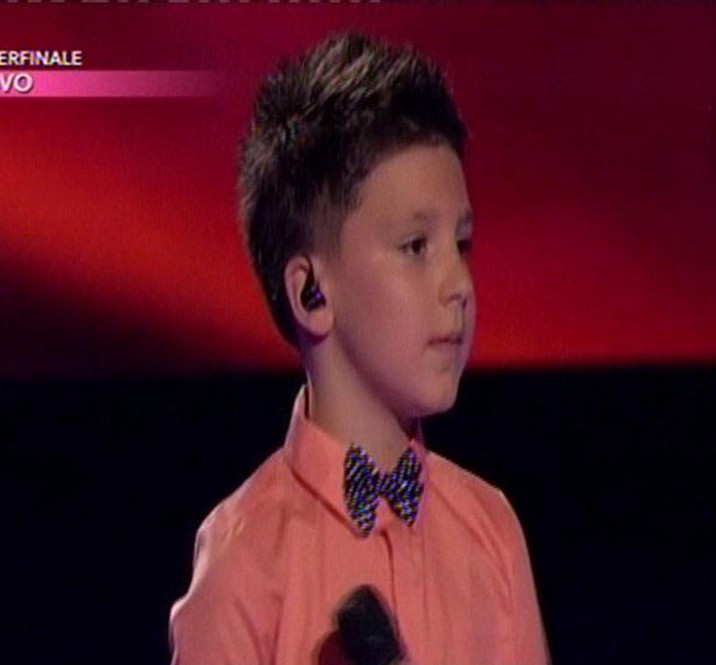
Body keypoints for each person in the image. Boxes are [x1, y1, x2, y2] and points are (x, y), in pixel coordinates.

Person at [169, 32, 549, 665]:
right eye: (415, 247)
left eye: (461, 244)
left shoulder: (491, 532)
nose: (458, 284)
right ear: (312, 292)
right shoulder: (245, 563)